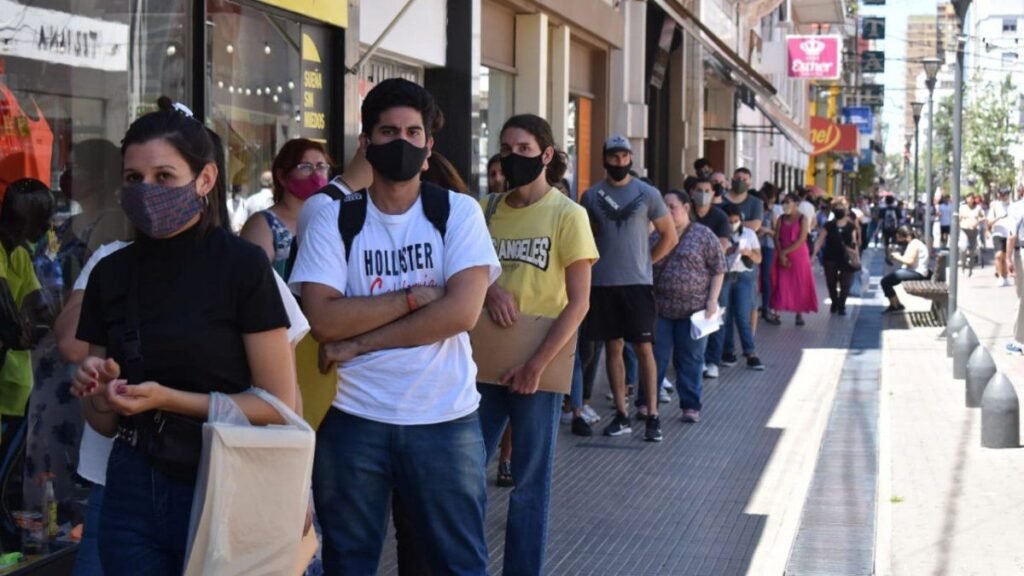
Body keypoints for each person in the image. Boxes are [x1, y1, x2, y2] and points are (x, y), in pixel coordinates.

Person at [70, 99, 298, 575]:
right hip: (133, 481)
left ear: (205, 179)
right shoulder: (110, 274)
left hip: (228, 476)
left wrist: (169, 399)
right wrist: (100, 390)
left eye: (164, 177)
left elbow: (280, 406)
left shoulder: (241, 266)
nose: (146, 190)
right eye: (134, 179)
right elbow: (103, 422)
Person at [290, 78, 499, 574]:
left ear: (429, 146)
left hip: (445, 419)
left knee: (455, 563)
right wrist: (413, 298)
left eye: (412, 132)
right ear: (365, 143)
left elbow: (460, 313)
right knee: (349, 561)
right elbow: (323, 318)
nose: (400, 142)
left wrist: (360, 340)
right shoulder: (332, 217)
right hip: (352, 418)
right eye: (387, 131)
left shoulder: (458, 212)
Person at [478, 113, 597, 576]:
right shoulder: (486, 208)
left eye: (524, 149)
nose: (513, 157)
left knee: (529, 484)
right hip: (484, 360)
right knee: (464, 474)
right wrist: (490, 288)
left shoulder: (569, 215)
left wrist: (536, 366)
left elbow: (579, 302)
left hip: (540, 363)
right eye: (506, 148)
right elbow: (461, 271)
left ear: (547, 155)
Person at [579, 135, 676, 441]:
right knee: (613, 347)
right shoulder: (591, 196)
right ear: (604, 158)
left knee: (644, 348)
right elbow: (585, 237)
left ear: (631, 158)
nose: (619, 163)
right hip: (603, 283)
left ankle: (652, 414)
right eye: (614, 157)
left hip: (637, 284)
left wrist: (647, 262)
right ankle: (621, 414)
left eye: (624, 157)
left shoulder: (647, 193)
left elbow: (668, 235)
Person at [653, 189, 724, 423]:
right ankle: (647, 402)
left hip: (694, 310)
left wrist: (712, 299)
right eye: (664, 207)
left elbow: (718, 268)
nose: (667, 211)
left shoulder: (703, 235)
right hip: (660, 308)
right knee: (656, 357)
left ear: (686, 208)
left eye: (671, 206)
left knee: (690, 359)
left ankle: (690, 405)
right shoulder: (655, 235)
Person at [0, 179, 54, 440]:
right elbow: (7, 315)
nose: (47, 226)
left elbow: (38, 305)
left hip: (14, 380)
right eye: (44, 218)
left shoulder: (20, 254)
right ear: (24, 219)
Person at [241, 138, 333, 278]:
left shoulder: (332, 218)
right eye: (306, 167)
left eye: (321, 167)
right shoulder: (262, 225)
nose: (316, 175)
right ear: (282, 176)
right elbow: (254, 282)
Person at [712, 204, 764, 370]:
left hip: (743, 276)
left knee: (742, 316)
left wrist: (748, 253)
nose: (733, 224)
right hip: (725, 275)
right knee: (724, 316)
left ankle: (751, 352)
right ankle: (728, 351)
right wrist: (727, 251)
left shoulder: (749, 234)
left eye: (736, 221)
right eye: (730, 221)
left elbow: (759, 258)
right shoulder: (718, 234)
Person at [771, 193, 819, 325]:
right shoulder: (781, 218)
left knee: (799, 283)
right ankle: (777, 313)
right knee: (781, 283)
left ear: (796, 204)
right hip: (782, 253)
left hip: (798, 255)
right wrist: (781, 253)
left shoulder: (802, 219)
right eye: (783, 202)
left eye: (788, 202)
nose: (785, 205)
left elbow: (802, 239)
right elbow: (776, 236)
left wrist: (784, 253)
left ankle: (799, 314)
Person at [813, 198, 859, 316]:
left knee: (845, 283)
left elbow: (854, 243)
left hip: (846, 258)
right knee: (831, 282)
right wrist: (813, 254)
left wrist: (856, 258)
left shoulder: (850, 226)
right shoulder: (828, 225)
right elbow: (820, 240)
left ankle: (841, 305)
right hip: (830, 257)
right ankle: (834, 302)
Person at [880, 226, 930, 313]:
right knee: (888, 280)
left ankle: (895, 305)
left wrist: (897, 256)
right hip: (917, 272)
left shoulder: (914, 243)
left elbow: (909, 261)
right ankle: (896, 304)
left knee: (885, 281)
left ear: (904, 236)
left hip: (917, 273)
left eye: (898, 237)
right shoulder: (915, 242)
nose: (898, 240)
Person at [758, 184, 782, 325]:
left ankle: (766, 307)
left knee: (766, 277)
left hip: (768, 247)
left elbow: (776, 233)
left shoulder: (770, 213)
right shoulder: (751, 214)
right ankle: (755, 306)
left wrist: (766, 230)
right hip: (754, 247)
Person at [989, 188, 1012, 287]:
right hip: (997, 233)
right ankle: (999, 277)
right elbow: (989, 222)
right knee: (998, 255)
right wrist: (999, 217)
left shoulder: (1013, 206)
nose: (1004, 197)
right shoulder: (995, 206)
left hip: (1010, 234)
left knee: (1006, 257)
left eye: (1005, 194)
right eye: (1002, 195)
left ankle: (1005, 277)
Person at [959, 194, 985, 270]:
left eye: (971, 199)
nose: (969, 200)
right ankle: (963, 263)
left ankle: (971, 265)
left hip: (974, 230)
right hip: (964, 229)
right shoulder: (962, 208)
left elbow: (983, 216)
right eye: (968, 198)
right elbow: (959, 218)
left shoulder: (978, 208)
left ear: (973, 199)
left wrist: (978, 220)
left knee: (973, 249)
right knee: (963, 248)